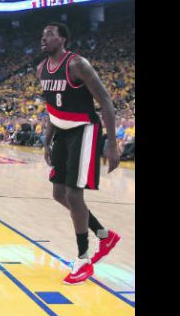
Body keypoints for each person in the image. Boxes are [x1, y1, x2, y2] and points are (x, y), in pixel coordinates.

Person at [38, 22, 121, 285]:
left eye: (50, 34)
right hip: (61, 132)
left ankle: (84, 260)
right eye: (43, 34)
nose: (44, 37)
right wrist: (47, 140)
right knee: (59, 193)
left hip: (84, 130)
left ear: (63, 39)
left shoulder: (77, 64)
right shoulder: (41, 69)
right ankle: (103, 234)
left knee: (74, 193)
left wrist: (111, 143)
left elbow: (106, 101)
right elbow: (52, 108)